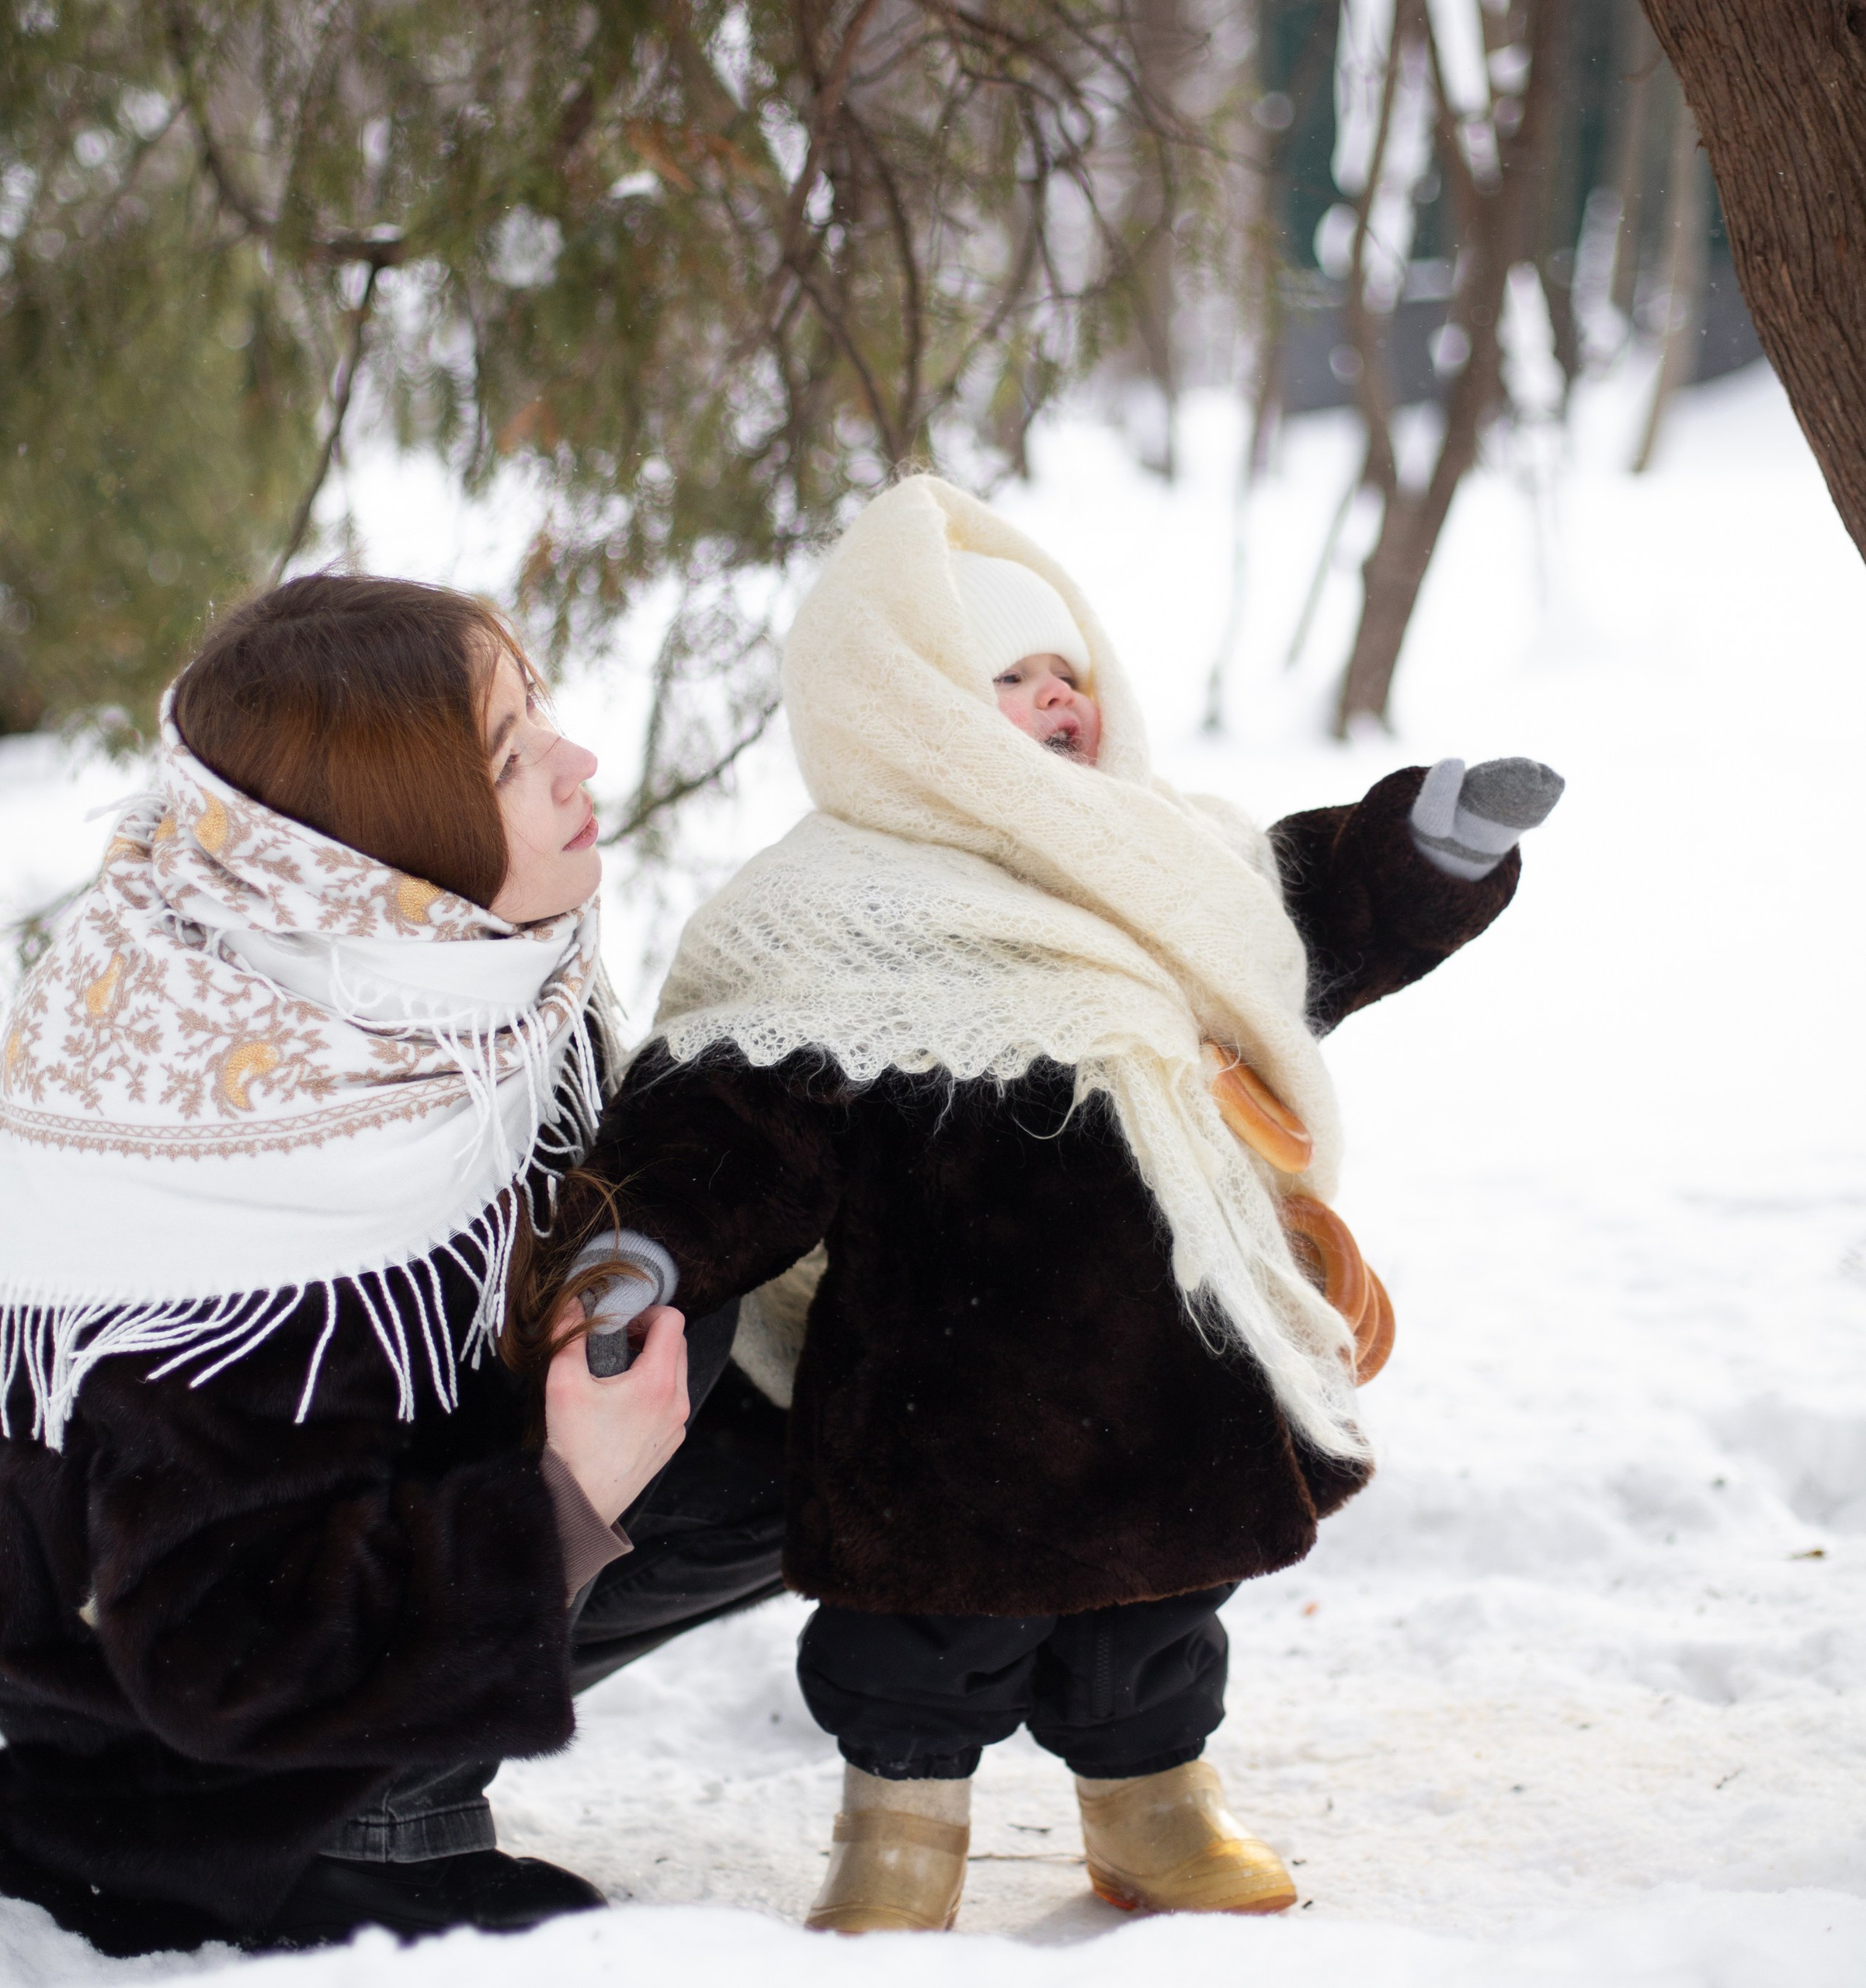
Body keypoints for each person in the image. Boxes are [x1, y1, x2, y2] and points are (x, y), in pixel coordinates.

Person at [541, 476, 1562, 1931]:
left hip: (1166, 1368)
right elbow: (735, 1117)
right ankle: (900, 1830)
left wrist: (1425, 848)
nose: (1055, 701)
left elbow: (1296, 918)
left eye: (1065, 674)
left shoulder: (1162, 858)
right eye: (1005, 680)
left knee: (1160, 1606)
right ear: (908, 709)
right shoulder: (833, 909)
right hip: (939, 1384)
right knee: (922, 1628)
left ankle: (1157, 1806)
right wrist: (648, 1242)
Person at [0, 575, 787, 1955]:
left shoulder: (395, 971)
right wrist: (567, 1494)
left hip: (288, 1541)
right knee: (651, 1324)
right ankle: (365, 1828)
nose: (576, 762)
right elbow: (215, 1652)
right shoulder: (248, 1205)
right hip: (188, 1710)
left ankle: (410, 1737)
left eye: (537, 711)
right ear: (376, 839)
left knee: (810, 1417)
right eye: (504, 755)